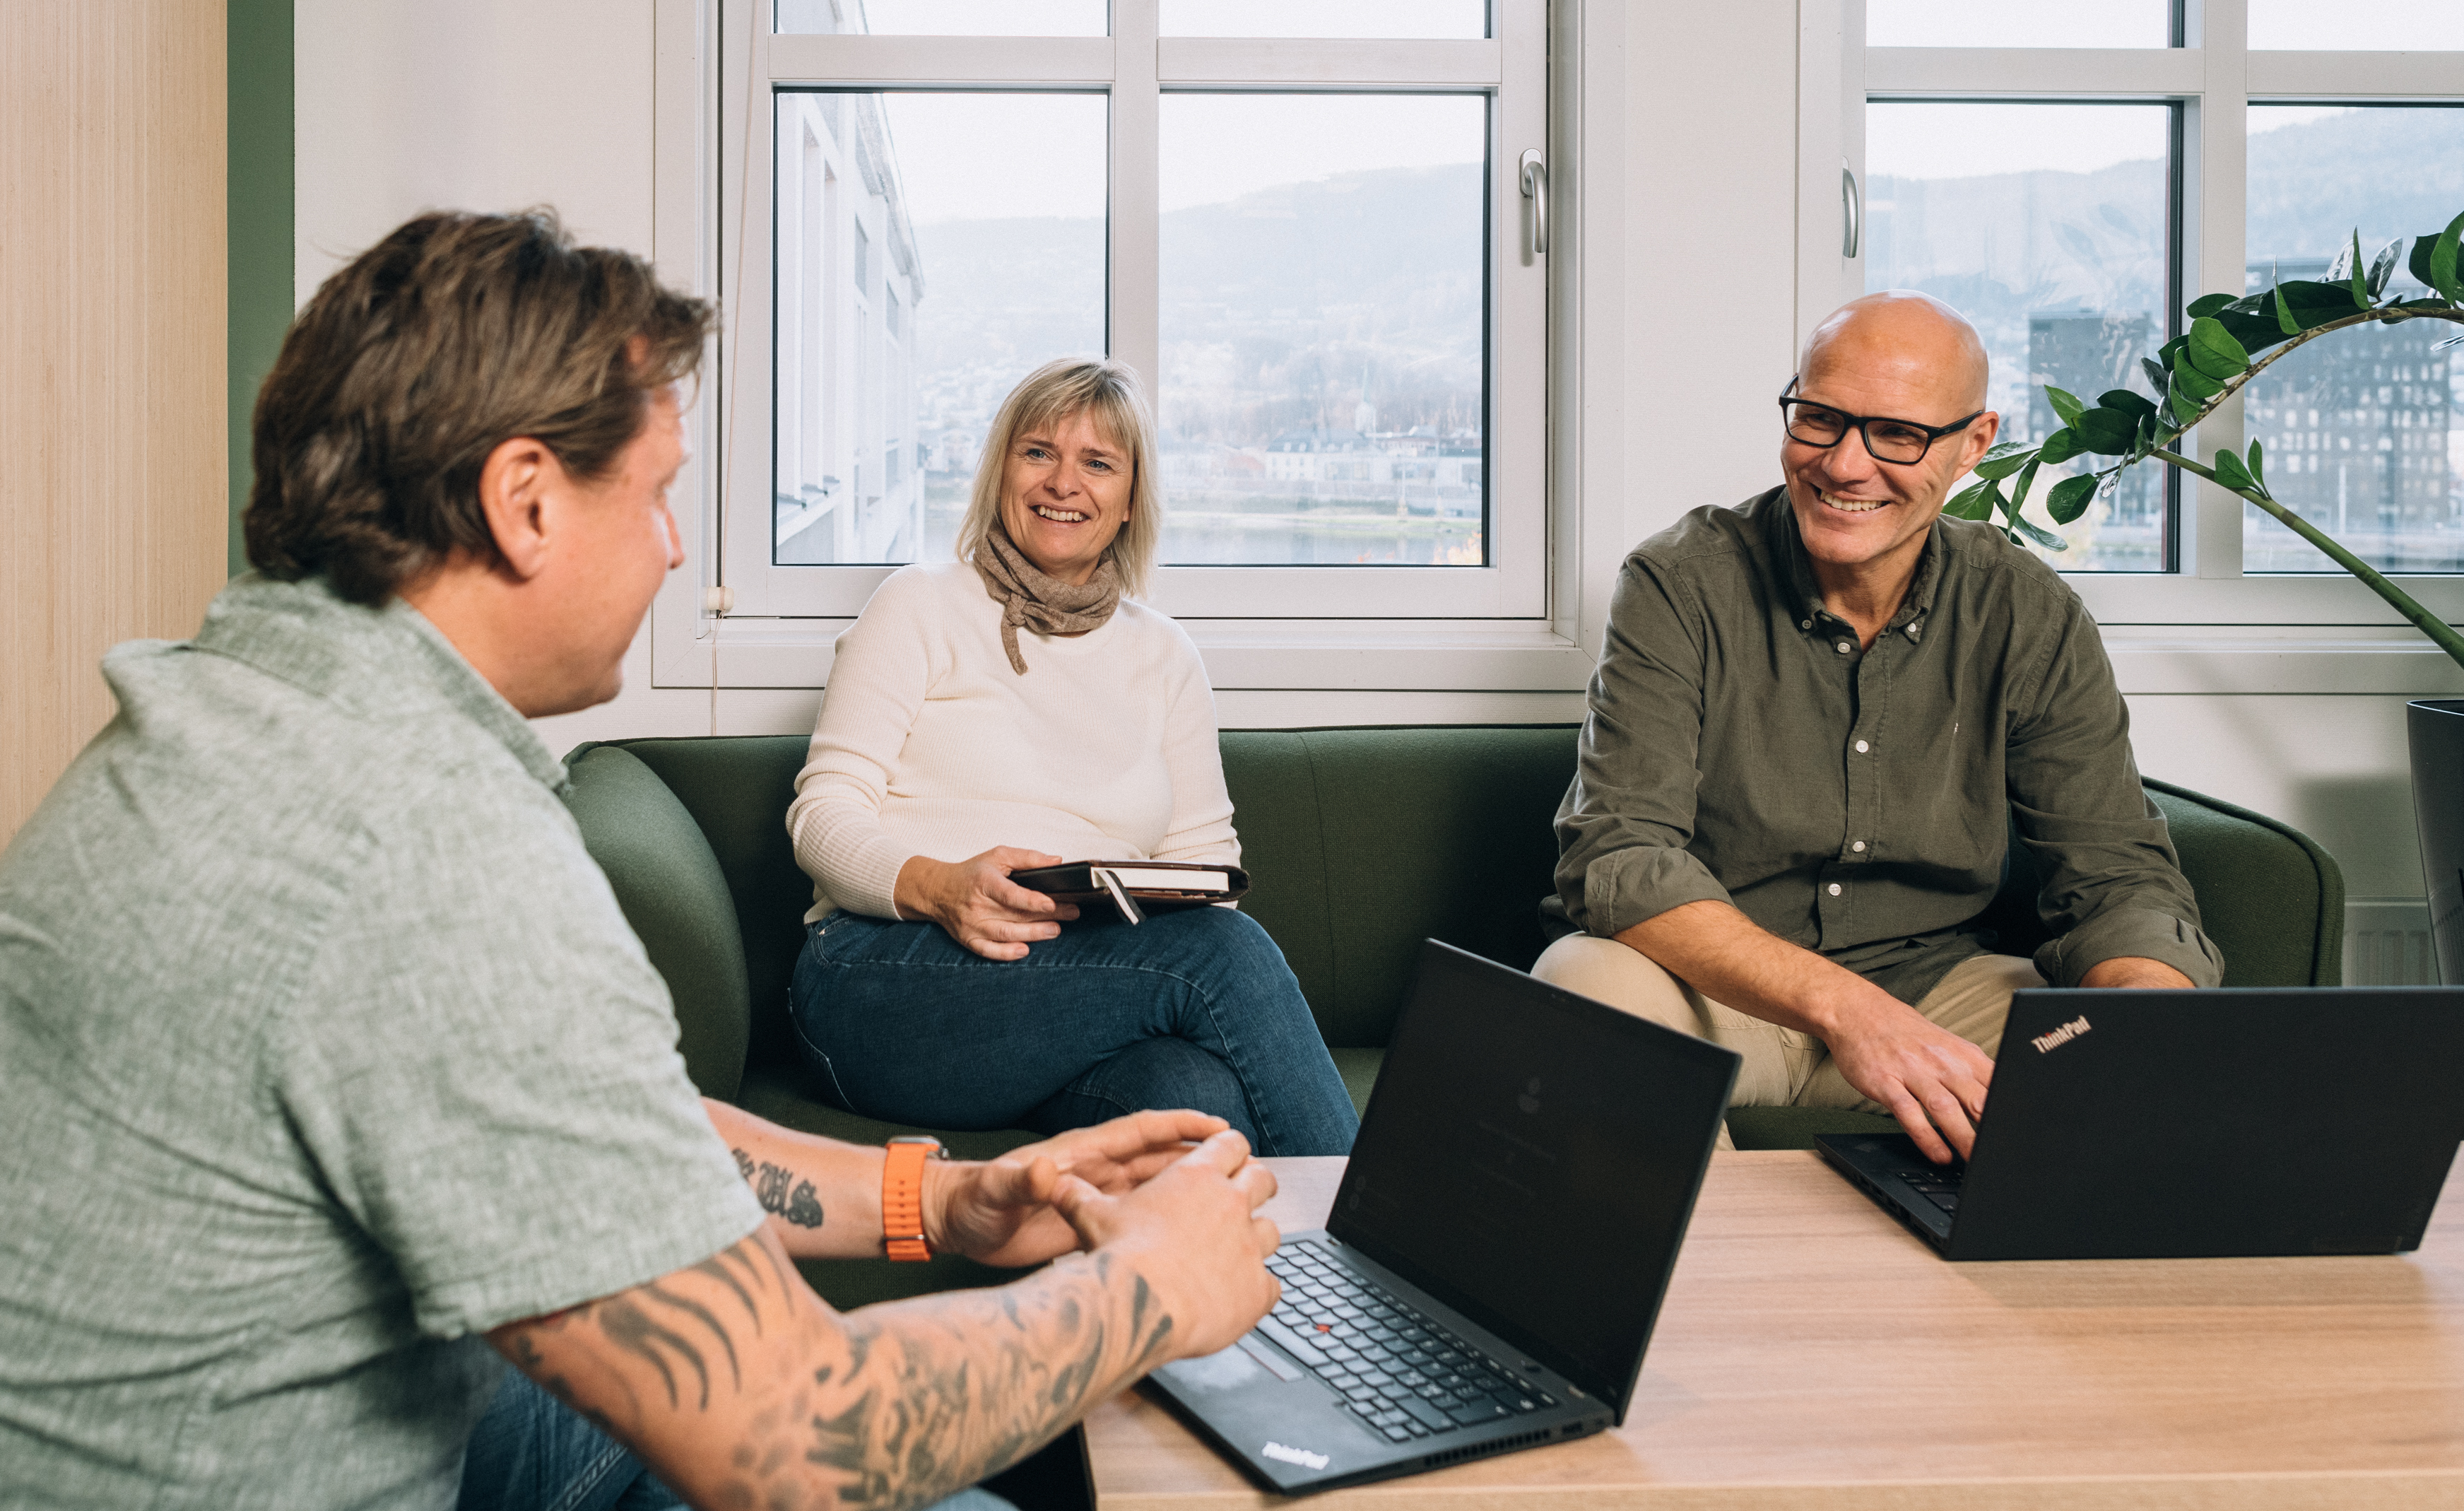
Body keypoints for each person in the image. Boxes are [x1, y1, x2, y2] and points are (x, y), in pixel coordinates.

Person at [0, 212, 1283, 1511]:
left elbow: (616, 1139)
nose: (675, 548)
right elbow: (796, 1438)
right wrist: (1142, 1288)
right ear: (524, 501)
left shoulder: (233, 717)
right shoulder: (424, 848)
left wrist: (942, 1203)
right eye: (659, 493)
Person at [1535, 290, 2222, 1165]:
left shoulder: (2027, 611)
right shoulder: (1681, 582)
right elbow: (1620, 856)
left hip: (1938, 988)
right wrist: (1848, 1009)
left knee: (2130, 1049)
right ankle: (1707, 1291)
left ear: (1974, 443)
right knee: (1581, 986)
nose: (1845, 465)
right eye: (1819, 419)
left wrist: (2142, 1019)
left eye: (1897, 434)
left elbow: (2119, 877)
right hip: (1717, 994)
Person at [786, 358, 1359, 1159]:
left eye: (1098, 463)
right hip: (884, 975)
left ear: (1129, 502)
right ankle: (1379, 1251)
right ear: (1000, 472)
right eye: (1038, 452)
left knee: (1195, 1100)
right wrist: (939, 886)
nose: (1064, 483)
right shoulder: (917, 604)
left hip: (1077, 997)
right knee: (1222, 956)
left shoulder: (1165, 655)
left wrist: (1116, 923)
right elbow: (822, 816)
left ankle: (1283, 1285)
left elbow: (1205, 865)